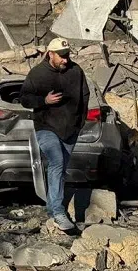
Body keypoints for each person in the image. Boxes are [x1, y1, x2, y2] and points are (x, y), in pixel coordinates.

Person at [19, 37, 89, 231]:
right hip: (46, 127)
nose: (66, 60)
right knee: (56, 162)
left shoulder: (76, 72)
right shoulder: (38, 74)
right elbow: (24, 98)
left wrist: (79, 123)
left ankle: (51, 208)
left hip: (70, 129)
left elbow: (85, 97)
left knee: (60, 169)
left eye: (67, 56)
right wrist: (44, 101)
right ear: (50, 54)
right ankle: (59, 212)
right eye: (62, 56)